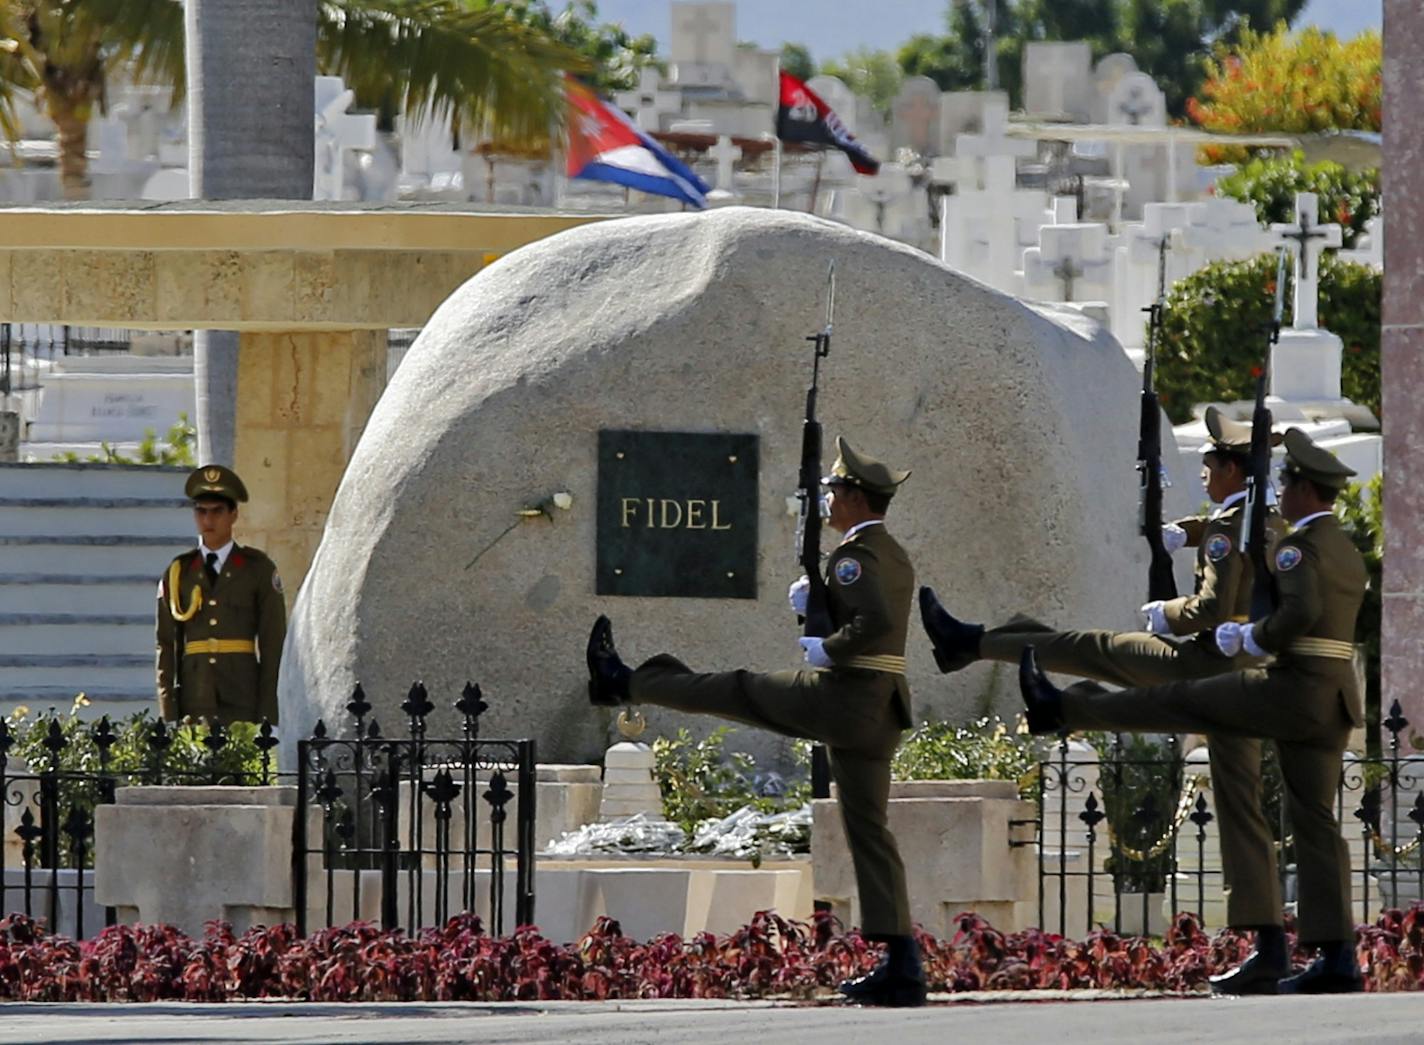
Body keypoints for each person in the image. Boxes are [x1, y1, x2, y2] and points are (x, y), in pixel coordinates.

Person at [919, 406, 1291, 994]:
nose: (1202, 471)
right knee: (1242, 810)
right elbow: (1238, 547)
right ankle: (1270, 944)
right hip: (1245, 677)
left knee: (1092, 648)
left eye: (1210, 463)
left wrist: (1166, 614)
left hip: (1200, 666)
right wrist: (1186, 532)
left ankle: (973, 643)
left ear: (1232, 470)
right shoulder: (1266, 519)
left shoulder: (1230, 529)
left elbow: (1213, 608)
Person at [1018, 427, 1367, 995]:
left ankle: (1063, 707)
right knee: (1315, 823)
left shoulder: (1296, 546)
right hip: (1334, 697)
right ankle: (1334, 957)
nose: (1281, 491)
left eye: (1287, 482)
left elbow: (1297, 613)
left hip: (1291, 688)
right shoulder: (1344, 548)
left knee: (1184, 699)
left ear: (1305, 490)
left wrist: (1249, 637)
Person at [585, 437, 924, 1007]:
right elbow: (877, 619)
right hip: (881, 710)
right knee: (870, 832)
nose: (828, 498)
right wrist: (811, 606)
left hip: (842, 699)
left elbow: (872, 623)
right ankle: (902, 963)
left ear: (858, 498)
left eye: (835, 490)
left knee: (735, 689)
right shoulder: (892, 554)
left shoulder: (851, 558)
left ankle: (624, 682)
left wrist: (825, 648)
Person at [156, 465, 287, 724]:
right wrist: (169, 712)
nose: (208, 520)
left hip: (242, 696)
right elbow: (166, 646)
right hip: (195, 699)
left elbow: (273, 643)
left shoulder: (256, 569)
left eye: (217, 512)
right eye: (201, 512)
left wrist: (268, 713)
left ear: (233, 515)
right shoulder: (179, 571)